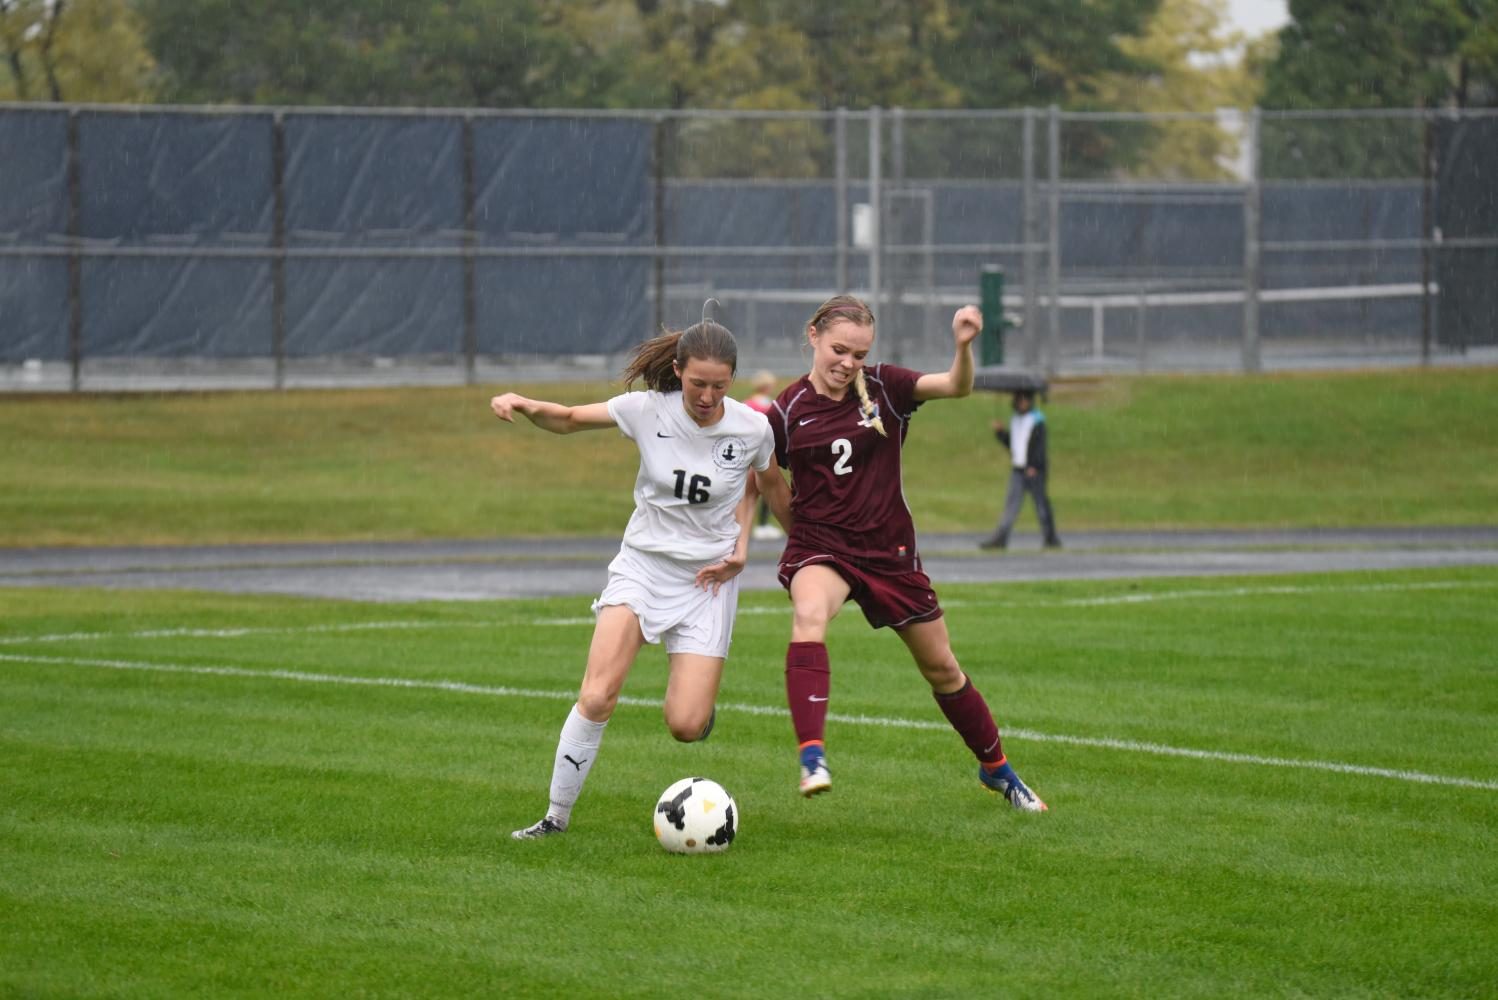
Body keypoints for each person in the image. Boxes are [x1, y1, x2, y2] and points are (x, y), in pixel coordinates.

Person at [752, 294, 1047, 812]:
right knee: (809, 614)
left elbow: (956, 386)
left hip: (890, 552)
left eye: (859, 354)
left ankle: (997, 769)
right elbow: (765, 479)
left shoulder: (887, 387)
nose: (848, 363)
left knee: (943, 671)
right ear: (813, 336)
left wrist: (963, 346)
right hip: (823, 548)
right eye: (839, 349)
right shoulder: (785, 411)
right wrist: (795, 537)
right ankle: (812, 756)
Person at [493, 317, 775, 839]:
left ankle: (700, 707)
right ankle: (555, 818)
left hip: (707, 581)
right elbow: (571, 418)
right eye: (697, 384)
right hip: (642, 566)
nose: (708, 396)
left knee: (685, 726)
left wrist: (744, 547)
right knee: (598, 694)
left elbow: (763, 486)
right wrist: (528, 405)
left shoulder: (753, 428)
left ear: (732, 379)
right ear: (677, 371)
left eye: (720, 384)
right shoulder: (647, 410)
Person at [980, 389, 1062, 550]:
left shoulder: (1037, 421)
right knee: (1011, 505)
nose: (1022, 402)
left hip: (1034, 470)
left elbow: (1040, 447)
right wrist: (1000, 433)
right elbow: (1014, 444)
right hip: (1018, 469)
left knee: (1041, 505)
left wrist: (1034, 466)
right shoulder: (1016, 420)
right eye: (1019, 399)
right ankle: (1000, 538)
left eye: (1025, 399)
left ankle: (1051, 538)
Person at [743, 370, 784, 541]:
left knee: (745, 495)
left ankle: (743, 526)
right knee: (766, 490)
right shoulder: (770, 406)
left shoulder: (745, 404)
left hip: (745, 454)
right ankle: (761, 525)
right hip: (763, 455)